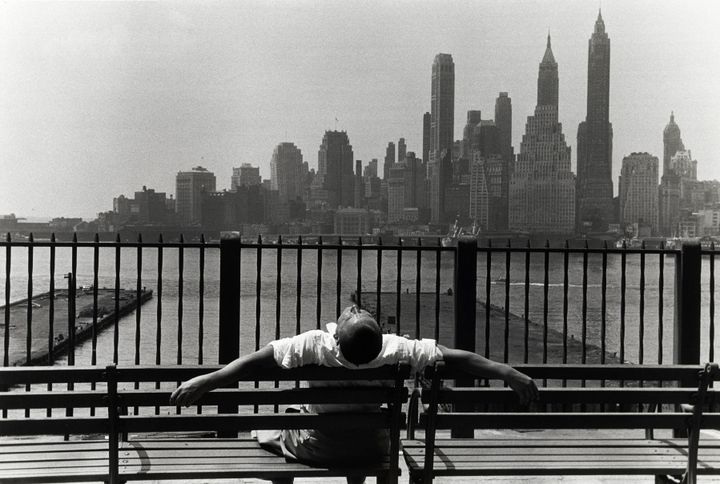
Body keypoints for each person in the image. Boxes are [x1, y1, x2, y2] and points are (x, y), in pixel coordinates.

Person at [170, 305, 539, 484]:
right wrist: (509, 373)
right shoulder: (396, 350)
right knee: (361, 426)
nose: (352, 308)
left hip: (320, 447)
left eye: (353, 313)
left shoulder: (315, 345)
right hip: (373, 448)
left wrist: (206, 380)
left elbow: (255, 362)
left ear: (337, 335)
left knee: (282, 424)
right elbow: (458, 358)